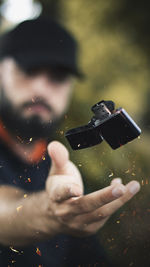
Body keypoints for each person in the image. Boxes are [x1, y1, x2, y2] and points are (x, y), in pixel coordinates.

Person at [0, 16, 140, 267]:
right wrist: (49, 213)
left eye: (58, 76)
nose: (42, 88)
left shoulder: (62, 170)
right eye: (29, 69)